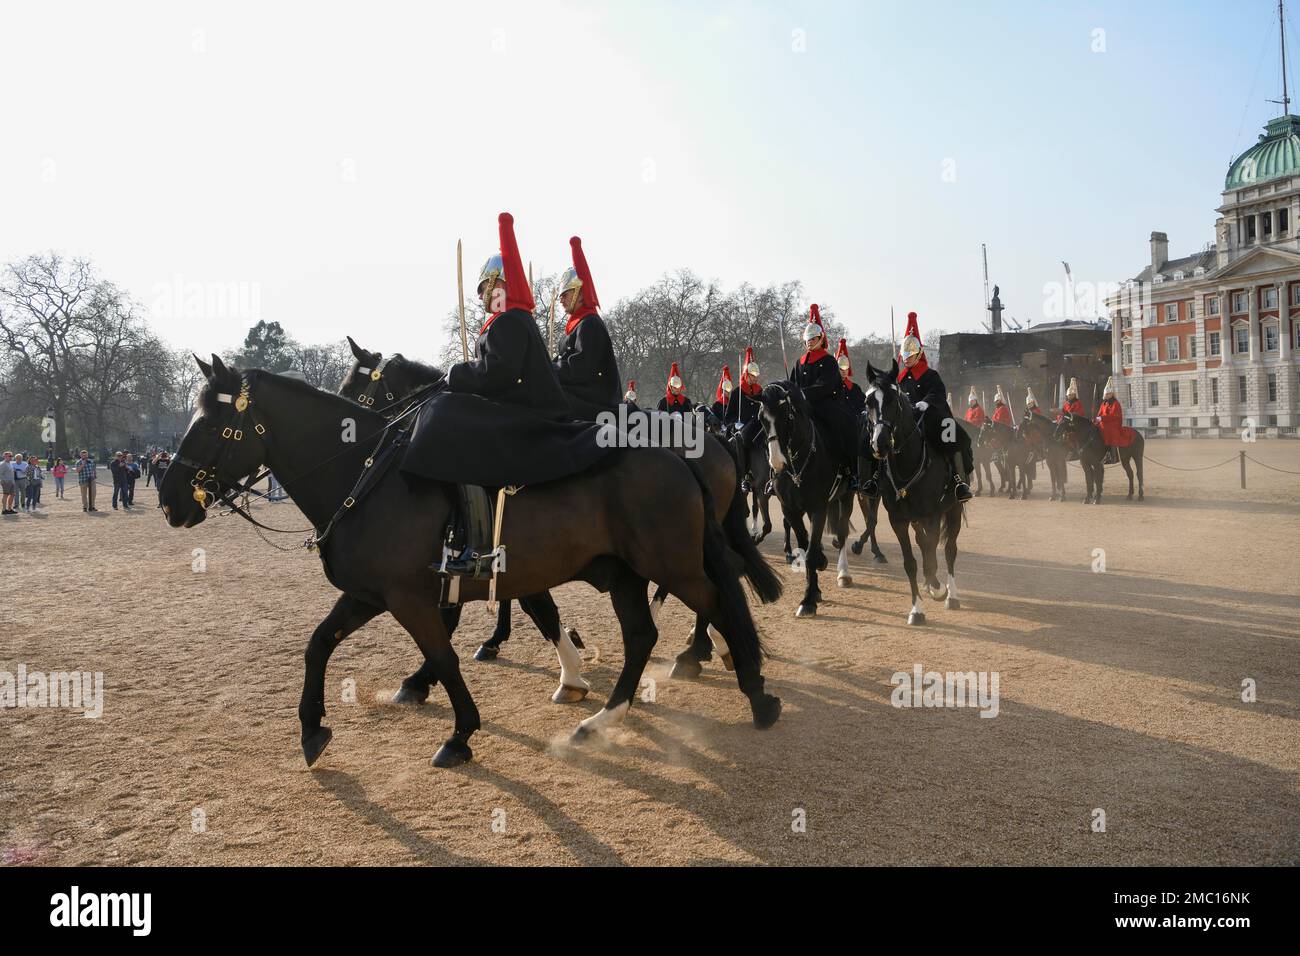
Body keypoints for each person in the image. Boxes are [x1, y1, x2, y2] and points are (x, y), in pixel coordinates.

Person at [895, 310, 973, 502]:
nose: (907, 358)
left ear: (919, 353)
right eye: (904, 354)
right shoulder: (900, 378)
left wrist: (926, 402)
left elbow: (938, 393)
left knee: (957, 438)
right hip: (909, 419)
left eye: (910, 354)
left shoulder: (931, 375)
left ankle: (958, 481)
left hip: (933, 417)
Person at [553, 236, 622, 421]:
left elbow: (580, 368)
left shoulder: (590, 323)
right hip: (580, 393)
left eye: (565, 294)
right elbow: (561, 360)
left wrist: (550, 371)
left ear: (579, 293)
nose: (561, 299)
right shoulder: (574, 326)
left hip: (597, 401)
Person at [791, 304, 859, 490]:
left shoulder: (829, 361)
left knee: (844, 426)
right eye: (808, 339)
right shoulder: (799, 362)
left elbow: (826, 386)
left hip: (824, 405)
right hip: (803, 406)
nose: (810, 342)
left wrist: (804, 393)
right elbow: (793, 384)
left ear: (821, 339)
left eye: (813, 338)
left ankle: (850, 470)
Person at [1095, 376, 1133, 465]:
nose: (1107, 395)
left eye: (1109, 394)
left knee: (1109, 432)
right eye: (1106, 394)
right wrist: (1096, 419)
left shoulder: (1116, 403)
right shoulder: (1104, 403)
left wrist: (1102, 418)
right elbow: (1099, 413)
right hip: (1103, 423)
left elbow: (1114, 416)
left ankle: (1113, 456)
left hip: (1113, 424)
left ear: (1112, 394)